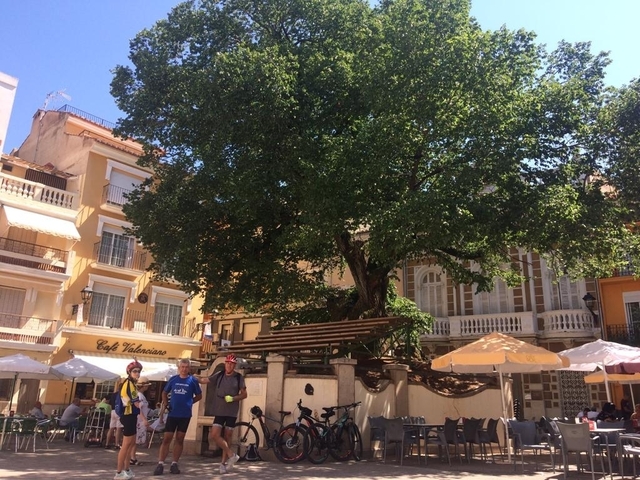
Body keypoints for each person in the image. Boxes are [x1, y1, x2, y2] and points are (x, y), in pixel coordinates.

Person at [195, 354, 247, 474]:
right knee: (215, 434)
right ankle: (231, 454)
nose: (229, 365)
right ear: (225, 364)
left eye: (232, 364)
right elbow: (204, 380)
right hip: (219, 410)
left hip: (231, 411)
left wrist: (233, 398)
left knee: (228, 436)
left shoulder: (239, 378)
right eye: (228, 363)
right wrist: (192, 377)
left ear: (234, 365)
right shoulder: (219, 375)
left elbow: (244, 394)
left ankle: (223, 463)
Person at [153, 358, 202, 476]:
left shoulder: (192, 381)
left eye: (186, 367)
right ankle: (160, 463)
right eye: (182, 367)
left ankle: (174, 463)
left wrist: (190, 402)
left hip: (185, 415)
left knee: (179, 439)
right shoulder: (173, 379)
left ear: (189, 368)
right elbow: (164, 392)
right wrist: (166, 403)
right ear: (179, 368)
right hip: (173, 414)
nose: (184, 369)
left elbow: (199, 395)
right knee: (167, 439)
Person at [114, 361, 147, 480]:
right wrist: (144, 417)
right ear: (129, 372)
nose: (137, 373)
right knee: (126, 445)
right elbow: (137, 404)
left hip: (131, 416)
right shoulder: (129, 384)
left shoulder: (131, 383)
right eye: (135, 371)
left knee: (131, 443)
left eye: (139, 371)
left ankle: (127, 469)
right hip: (128, 416)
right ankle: (118, 472)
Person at [130, 376, 152, 466]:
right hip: (138, 420)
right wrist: (144, 419)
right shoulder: (139, 395)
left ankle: (132, 457)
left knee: (136, 441)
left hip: (140, 420)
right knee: (135, 440)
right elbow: (138, 408)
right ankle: (132, 457)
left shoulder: (140, 395)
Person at [105, 382, 124, 450]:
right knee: (118, 428)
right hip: (119, 411)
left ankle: (107, 443)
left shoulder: (113, 394)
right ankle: (117, 444)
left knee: (111, 428)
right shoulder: (122, 394)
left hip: (113, 411)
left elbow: (110, 404)